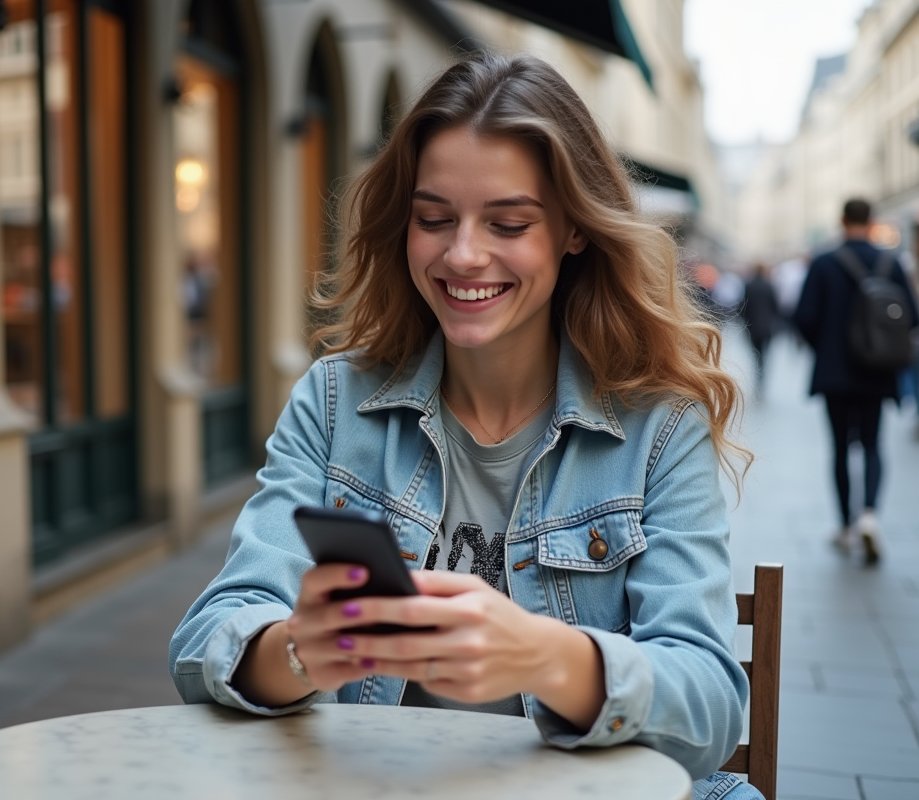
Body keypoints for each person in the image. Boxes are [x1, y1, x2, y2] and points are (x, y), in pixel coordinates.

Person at [170, 54, 760, 800]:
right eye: (433, 219)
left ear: (574, 230)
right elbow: (204, 643)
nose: (462, 254)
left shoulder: (659, 428)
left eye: (508, 222)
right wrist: (295, 652)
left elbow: (708, 716)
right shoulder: (332, 401)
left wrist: (547, 657)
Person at [793, 199, 918, 564]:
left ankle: (846, 525)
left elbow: (804, 317)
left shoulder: (824, 262)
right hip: (877, 372)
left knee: (840, 448)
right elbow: (911, 316)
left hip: (835, 373)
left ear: (842, 220)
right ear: (872, 221)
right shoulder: (890, 262)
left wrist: (828, 346)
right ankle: (870, 515)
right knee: (874, 443)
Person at [740, 263, 780, 396]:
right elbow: (776, 307)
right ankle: (761, 373)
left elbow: (743, 306)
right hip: (766, 326)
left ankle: (758, 370)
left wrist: (744, 321)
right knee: (764, 352)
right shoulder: (769, 286)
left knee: (755, 352)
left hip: (752, 325)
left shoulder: (749, 285)